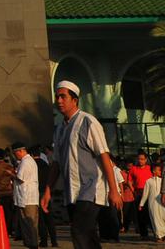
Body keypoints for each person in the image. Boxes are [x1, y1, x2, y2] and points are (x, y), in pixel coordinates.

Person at [42, 81, 123, 249]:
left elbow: (104, 156)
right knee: (89, 236)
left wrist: (114, 191)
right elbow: (56, 163)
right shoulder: (59, 129)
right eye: (57, 97)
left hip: (91, 189)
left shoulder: (88, 122)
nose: (59, 101)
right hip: (72, 191)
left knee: (79, 231)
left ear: (75, 100)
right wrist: (47, 191)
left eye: (63, 96)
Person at [12, 143, 40, 249]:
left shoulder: (26, 161)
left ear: (20, 151)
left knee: (29, 224)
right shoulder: (28, 161)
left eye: (15, 153)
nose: (15, 156)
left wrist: (11, 174)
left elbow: (20, 178)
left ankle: (33, 245)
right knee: (29, 224)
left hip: (27, 198)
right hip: (28, 197)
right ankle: (32, 244)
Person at [34, 148, 58, 248]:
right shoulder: (45, 164)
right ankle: (54, 241)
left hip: (38, 192)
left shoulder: (33, 165)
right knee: (49, 218)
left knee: (41, 220)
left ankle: (43, 241)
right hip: (46, 192)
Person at [138, 165, 165, 241]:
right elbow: (145, 194)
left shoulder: (164, 181)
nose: (160, 172)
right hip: (152, 203)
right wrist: (141, 204)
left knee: (164, 218)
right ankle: (158, 235)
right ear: (154, 171)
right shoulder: (149, 181)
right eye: (159, 170)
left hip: (163, 202)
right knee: (155, 218)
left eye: (161, 170)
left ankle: (163, 233)